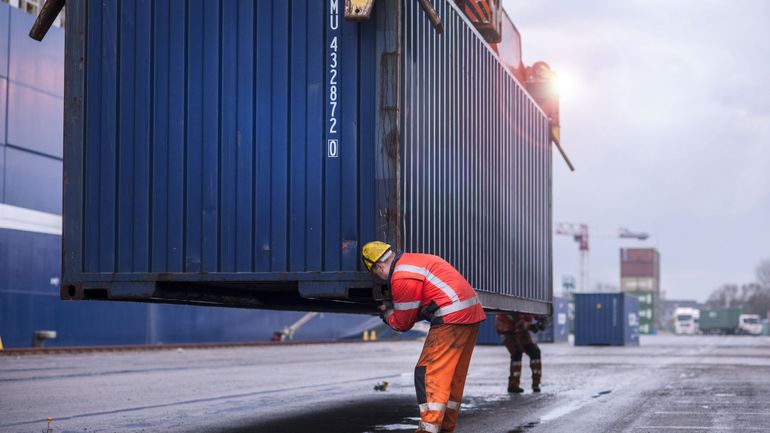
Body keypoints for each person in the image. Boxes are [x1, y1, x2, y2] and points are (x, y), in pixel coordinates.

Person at [362, 241, 486, 433]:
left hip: (451, 318)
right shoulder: (416, 261)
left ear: (378, 267)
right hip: (470, 315)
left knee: (427, 372)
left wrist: (387, 314)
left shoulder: (401, 277)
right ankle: (446, 426)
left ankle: (429, 428)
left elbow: (403, 323)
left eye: (376, 274)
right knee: (452, 375)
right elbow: (425, 306)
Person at [495, 313, 544, 393]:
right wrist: (532, 326)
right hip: (507, 329)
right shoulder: (516, 305)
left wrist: (540, 320)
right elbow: (520, 322)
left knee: (535, 352)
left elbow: (527, 319)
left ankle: (536, 384)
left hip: (519, 329)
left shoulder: (530, 306)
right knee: (516, 351)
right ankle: (513, 385)